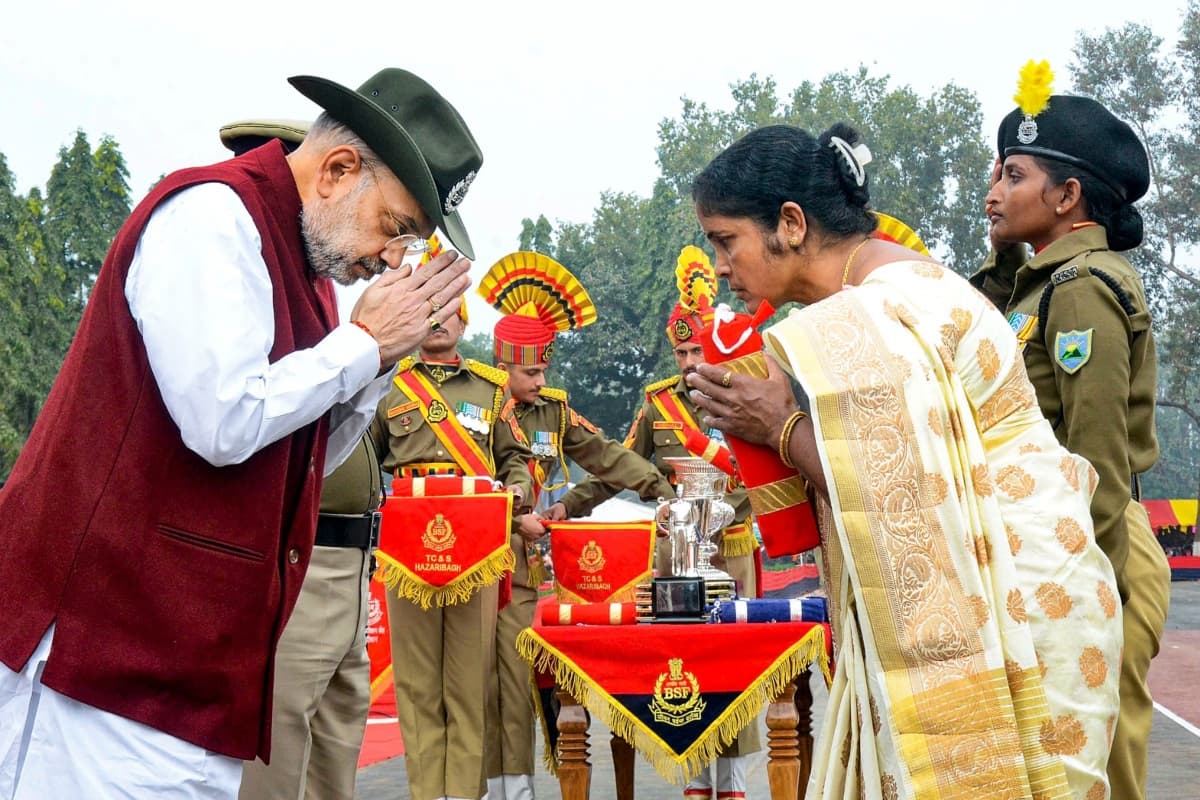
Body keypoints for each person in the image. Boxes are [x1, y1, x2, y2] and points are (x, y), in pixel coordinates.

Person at [0, 67, 480, 800]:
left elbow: (301, 456)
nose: (391, 258)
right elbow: (221, 422)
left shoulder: (310, 272)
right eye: (396, 227)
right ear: (338, 171)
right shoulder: (210, 217)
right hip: (99, 669)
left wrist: (377, 363)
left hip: (186, 670)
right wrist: (361, 346)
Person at [685, 122, 1123, 799]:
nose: (718, 266)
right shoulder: (897, 285)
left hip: (1019, 601)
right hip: (1029, 577)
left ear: (791, 224)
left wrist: (779, 426)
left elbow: (905, 495)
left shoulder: (880, 311)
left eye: (725, 240)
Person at [969, 63, 1172, 800]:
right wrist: (1003, 257)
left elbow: (1098, 459)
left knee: (1099, 771)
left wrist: (1097, 587)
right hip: (1056, 549)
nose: (993, 191)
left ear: (1067, 196)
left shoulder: (1083, 290)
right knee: (1052, 767)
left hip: (1095, 546)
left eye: (1013, 175)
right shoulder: (1039, 286)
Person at [554, 246, 761, 800]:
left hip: (732, 549)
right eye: (682, 352)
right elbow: (620, 466)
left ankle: (733, 783)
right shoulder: (657, 405)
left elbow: (762, 474)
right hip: (675, 558)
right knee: (685, 659)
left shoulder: (743, 393)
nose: (690, 362)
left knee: (736, 660)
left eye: (697, 349)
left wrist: (724, 514)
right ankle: (693, 777)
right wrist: (568, 505)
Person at [213, 119, 379, 800]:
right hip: (291, 556)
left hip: (347, 557)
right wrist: (362, 343)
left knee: (333, 760)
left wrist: (378, 357)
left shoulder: (317, 287)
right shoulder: (231, 258)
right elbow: (235, 422)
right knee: (277, 765)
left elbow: (320, 437)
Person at [480, 251, 676, 799]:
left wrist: (663, 492)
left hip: (525, 571)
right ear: (503, 366)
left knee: (518, 680)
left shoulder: (555, 411)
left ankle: (518, 789)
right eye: (531, 372)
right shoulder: (476, 405)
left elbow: (608, 456)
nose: (541, 380)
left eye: (544, 370)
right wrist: (513, 518)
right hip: (474, 563)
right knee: (477, 686)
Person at [369, 306, 534, 800]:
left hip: (476, 547)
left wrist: (518, 491)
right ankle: (427, 793)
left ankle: (463, 793)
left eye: (448, 313)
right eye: (429, 313)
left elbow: (515, 458)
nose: (438, 322)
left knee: (469, 679)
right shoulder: (388, 385)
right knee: (417, 683)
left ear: (464, 323)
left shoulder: (491, 388)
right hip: (407, 548)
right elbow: (363, 455)